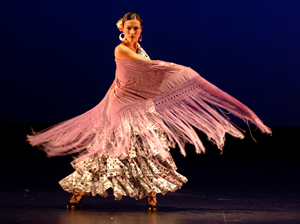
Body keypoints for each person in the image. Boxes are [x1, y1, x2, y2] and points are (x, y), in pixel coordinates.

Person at [27, 12, 271, 211]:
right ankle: (78, 192)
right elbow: (150, 69)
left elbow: (150, 78)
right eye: (129, 27)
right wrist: (179, 69)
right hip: (121, 107)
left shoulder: (140, 50)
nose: (132, 32)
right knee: (107, 150)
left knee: (147, 149)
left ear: (141, 30)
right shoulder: (120, 50)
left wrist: (175, 75)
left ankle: (151, 196)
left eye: (136, 28)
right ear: (122, 28)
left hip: (142, 108)